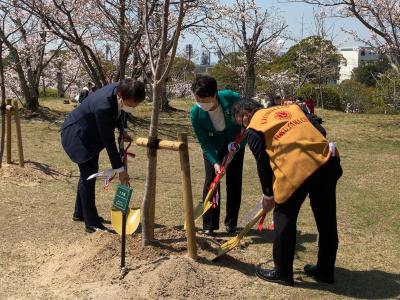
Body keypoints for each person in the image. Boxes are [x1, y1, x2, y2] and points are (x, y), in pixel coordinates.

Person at [232, 99, 343, 286]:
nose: (243, 128)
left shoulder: (254, 127)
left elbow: (263, 165)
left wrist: (268, 195)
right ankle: (325, 271)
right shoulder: (292, 108)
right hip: (327, 161)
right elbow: (320, 131)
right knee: (326, 219)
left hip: (297, 170)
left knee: (284, 217)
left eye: (240, 123)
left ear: (245, 114)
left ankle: (282, 272)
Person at [61, 79, 146, 233]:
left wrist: (123, 129)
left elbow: (120, 112)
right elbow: (108, 141)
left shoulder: (120, 90)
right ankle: (91, 223)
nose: (132, 108)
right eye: (130, 104)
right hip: (78, 135)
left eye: (135, 105)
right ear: (120, 95)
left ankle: (80, 213)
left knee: (88, 174)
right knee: (89, 175)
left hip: (90, 133)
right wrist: (120, 170)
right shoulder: (104, 106)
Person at [190, 75, 245, 236]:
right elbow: (204, 142)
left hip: (235, 143)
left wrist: (238, 142)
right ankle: (209, 224)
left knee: (234, 182)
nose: (201, 104)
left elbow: (246, 120)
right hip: (213, 147)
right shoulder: (196, 114)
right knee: (211, 183)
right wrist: (215, 163)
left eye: (205, 100)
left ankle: (231, 223)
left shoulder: (232, 98)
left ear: (215, 95)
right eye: (198, 99)